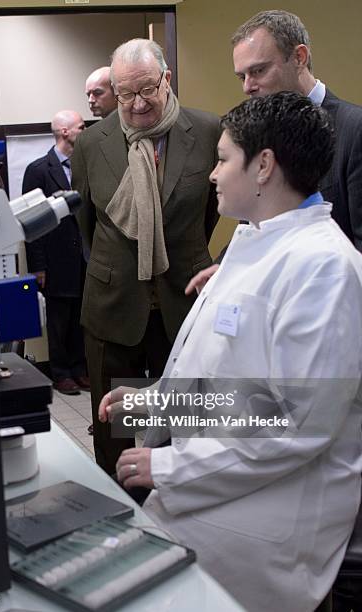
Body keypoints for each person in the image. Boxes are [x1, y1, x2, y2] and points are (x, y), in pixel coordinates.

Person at [99, 92, 362, 612]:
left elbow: (296, 422)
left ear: (263, 165)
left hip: (262, 521)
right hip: (219, 483)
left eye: (222, 159)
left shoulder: (324, 268)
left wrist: (170, 467)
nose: (213, 175)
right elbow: (232, 386)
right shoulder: (254, 244)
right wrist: (160, 403)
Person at [71, 39, 221, 474]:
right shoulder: (92, 142)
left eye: (146, 90)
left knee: (182, 421)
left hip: (183, 300)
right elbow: (88, 223)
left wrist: (175, 255)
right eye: (124, 94)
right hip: (112, 304)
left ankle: (174, 504)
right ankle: (122, 511)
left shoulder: (207, 131)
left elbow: (209, 214)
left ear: (166, 79)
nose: (136, 105)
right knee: (113, 426)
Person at [186, 9, 362, 296]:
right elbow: (256, 223)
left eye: (258, 71)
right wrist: (228, 266)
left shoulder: (354, 130)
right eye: (241, 76)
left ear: (299, 58)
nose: (247, 87)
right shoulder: (259, 130)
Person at [23, 110, 89, 395]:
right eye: (81, 127)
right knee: (59, 321)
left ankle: (79, 369)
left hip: (85, 258)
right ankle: (61, 373)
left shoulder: (84, 166)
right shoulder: (39, 170)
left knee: (81, 319)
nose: (85, 130)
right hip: (55, 259)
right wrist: (38, 267)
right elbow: (31, 223)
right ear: (65, 131)